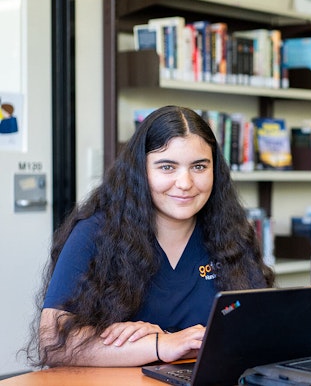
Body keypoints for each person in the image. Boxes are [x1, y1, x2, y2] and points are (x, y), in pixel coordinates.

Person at [26, 105, 275, 368]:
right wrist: (160, 345)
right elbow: (53, 342)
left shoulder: (234, 234)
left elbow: (259, 328)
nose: (185, 183)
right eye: (167, 167)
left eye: (199, 167)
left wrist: (172, 339)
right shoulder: (95, 233)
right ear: (140, 171)